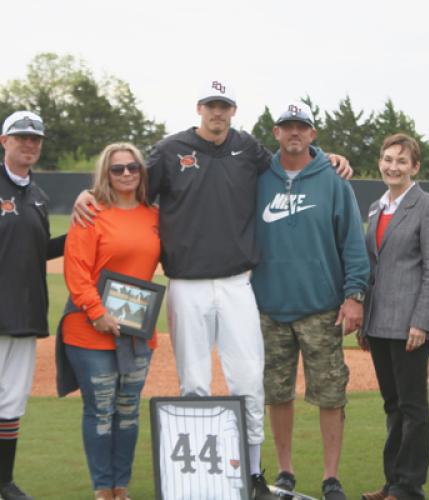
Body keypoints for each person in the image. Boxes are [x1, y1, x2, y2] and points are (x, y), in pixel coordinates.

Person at [73, 80, 352, 499]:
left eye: (224, 106)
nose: (217, 113)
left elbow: (291, 162)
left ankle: (255, 473)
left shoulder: (248, 149)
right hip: (186, 284)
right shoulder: (170, 150)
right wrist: (88, 192)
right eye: (211, 105)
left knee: (248, 381)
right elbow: (128, 183)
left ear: (233, 110)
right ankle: (198, 480)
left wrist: (328, 158)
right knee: (195, 383)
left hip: (239, 283)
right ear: (199, 108)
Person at [250, 102, 369, 500]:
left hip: (321, 307)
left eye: (302, 126)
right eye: (288, 126)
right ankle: (285, 471)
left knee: (330, 394)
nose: (295, 132)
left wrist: (354, 296)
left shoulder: (334, 180)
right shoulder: (257, 176)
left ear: (312, 134)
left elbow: (353, 243)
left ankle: (331, 476)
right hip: (270, 307)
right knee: (277, 392)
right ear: (276, 132)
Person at [59, 143, 160, 500]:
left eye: (133, 167)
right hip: (91, 331)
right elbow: (77, 271)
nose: (127, 174)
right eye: (117, 169)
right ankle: (103, 489)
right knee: (101, 410)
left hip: (134, 332)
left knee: (128, 411)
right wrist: (98, 312)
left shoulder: (153, 215)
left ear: (141, 171)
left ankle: (122, 487)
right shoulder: (91, 213)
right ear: (106, 173)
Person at [359, 134, 429, 500]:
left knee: (413, 407)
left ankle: (409, 487)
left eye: (401, 160)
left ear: (415, 167)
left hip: (409, 324)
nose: (392, 166)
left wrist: (422, 321)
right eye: (387, 159)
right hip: (379, 324)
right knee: (393, 405)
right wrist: (365, 321)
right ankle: (392, 481)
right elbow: (373, 268)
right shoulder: (377, 208)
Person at [0, 111, 65, 500]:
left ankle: (4, 482)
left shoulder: (38, 197)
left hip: (24, 313)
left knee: (10, 400)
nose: (29, 143)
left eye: (35, 139)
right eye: (21, 137)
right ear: (4, 140)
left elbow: (39, 252)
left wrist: (84, 234)